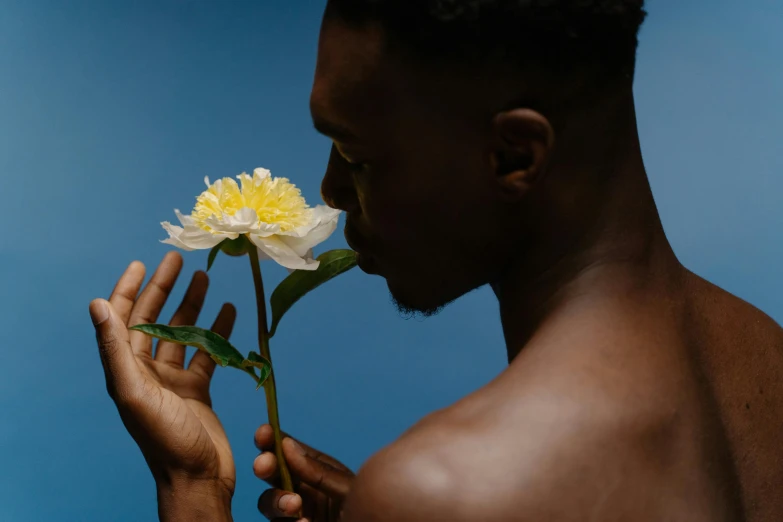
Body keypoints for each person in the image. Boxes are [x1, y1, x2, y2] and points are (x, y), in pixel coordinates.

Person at [89, 1, 783, 521]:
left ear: (514, 155)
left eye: (356, 156)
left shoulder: (452, 487)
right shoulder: (763, 354)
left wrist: (194, 492)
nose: (329, 189)